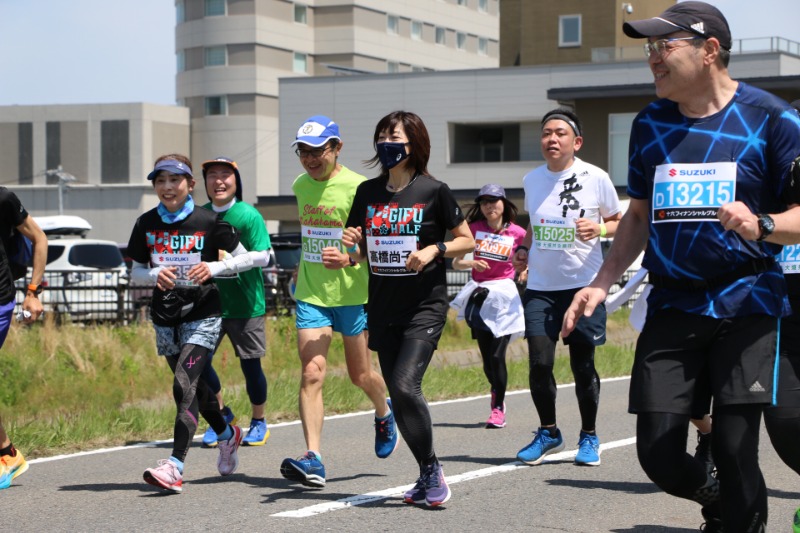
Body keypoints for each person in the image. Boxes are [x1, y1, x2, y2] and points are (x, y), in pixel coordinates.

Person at [561, 3, 800, 531]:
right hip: (672, 301)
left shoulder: (775, 119)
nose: (652, 59)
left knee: (738, 449)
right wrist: (601, 282)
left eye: (663, 46)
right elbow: (638, 215)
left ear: (709, 50)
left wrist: (760, 223)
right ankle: (712, 497)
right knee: (659, 452)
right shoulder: (650, 124)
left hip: (749, 301)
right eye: (649, 49)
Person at [343, 110, 475, 507]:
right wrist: (350, 246)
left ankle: (433, 472)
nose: (386, 143)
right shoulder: (367, 193)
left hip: (424, 306)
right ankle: (425, 473)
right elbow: (359, 250)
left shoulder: (434, 191)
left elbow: (466, 240)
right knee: (400, 397)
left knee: (404, 384)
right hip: (382, 307)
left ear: (413, 143)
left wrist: (435, 249)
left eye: (394, 136)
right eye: (381, 135)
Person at [128, 156, 259, 493]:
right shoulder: (145, 223)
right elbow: (136, 272)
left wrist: (214, 269)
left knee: (182, 385)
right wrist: (155, 274)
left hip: (204, 314)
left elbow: (244, 259)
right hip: (166, 318)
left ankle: (174, 466)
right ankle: (228, 434)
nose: (167, 187)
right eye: (160, 181)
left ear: (190, 185)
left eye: (175, 180)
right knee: (195, 388)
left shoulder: (209, 221)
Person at [279, 115, 396, 489]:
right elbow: (309, 233)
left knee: (360, 374)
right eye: (304, 152)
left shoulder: (359, 188)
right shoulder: (300, 185)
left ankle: (384, 410)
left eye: (318, 151)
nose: (311, 159)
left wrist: (350, 256)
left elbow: (376, 242)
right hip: (313, 293)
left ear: (337, 148)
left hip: (353, 294)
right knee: (312, 372)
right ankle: (313, 457)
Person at [512, 108, 621, 468]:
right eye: (546, 133)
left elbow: (621, 222)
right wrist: (525, 248)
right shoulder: (531, 179)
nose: (551, 139)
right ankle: (548, 431)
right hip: (541, 287)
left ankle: (589, 435)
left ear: (576, 142)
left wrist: (601, 230)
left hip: (583, 286)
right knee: (539, 364)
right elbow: (534, 224)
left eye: (560, 133)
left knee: (582, 365)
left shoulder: (596, 177)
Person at [198, 156, 273, 448]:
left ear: (235, 181)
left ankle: (259, 421)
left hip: (245, 304)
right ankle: (222, 416)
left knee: (250, 366)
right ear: (203, 183)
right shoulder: (199, 215)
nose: (218, 181)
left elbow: (264, 256)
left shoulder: (248, 215)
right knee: (198, 363)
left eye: (225, 175)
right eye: (212, 175)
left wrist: (225, 262)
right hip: (208, 305)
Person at [450, 184, 527, 428]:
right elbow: (456, 263)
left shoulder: (519, 233)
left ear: (504, 204)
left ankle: (497, 408)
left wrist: (525, 272)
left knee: (497, 354)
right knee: (486, 358)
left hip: (504, 296)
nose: (489, 206)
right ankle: (497, 393)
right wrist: (472, 263)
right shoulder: (472, 230)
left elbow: (530, 260)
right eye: (484, 202)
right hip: (480, 295)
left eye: (494, 201)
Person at [0, 188, 47, 490]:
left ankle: (8, 454)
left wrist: (34, 292)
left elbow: (39, 239)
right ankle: (7, 453)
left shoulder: (3, 199)